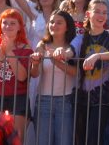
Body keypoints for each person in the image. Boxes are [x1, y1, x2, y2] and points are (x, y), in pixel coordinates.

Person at [71, 0, 109, 145]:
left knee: (94, 139)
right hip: (82, 97)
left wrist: (97, 56)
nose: (101, 16)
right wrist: (61, 52)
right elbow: (71, 51)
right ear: (88, 14)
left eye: (104, 13)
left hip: (104, 97)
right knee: (80, 140)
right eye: (97, 12)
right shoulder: (81, 37)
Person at [0, 9, 33, 142]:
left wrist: (9, 51)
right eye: (5, 23)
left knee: (15, 140)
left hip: (17, 98)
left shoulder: (26, 50)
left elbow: (22, 77)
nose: (8, 26)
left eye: (13, 23)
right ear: (0, 25)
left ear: (20, 26)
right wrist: (0, 59)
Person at [30, 10, 77, 145]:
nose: (54, 25)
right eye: (51, 22)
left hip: (66, 101)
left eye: (59, 22)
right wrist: (35, 64)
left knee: (64, 141)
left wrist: (56, 62)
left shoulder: (72, 48)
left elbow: (76, 72)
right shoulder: (42, 46)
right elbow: (35, 74)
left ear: (67, 27)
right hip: (43, 100)